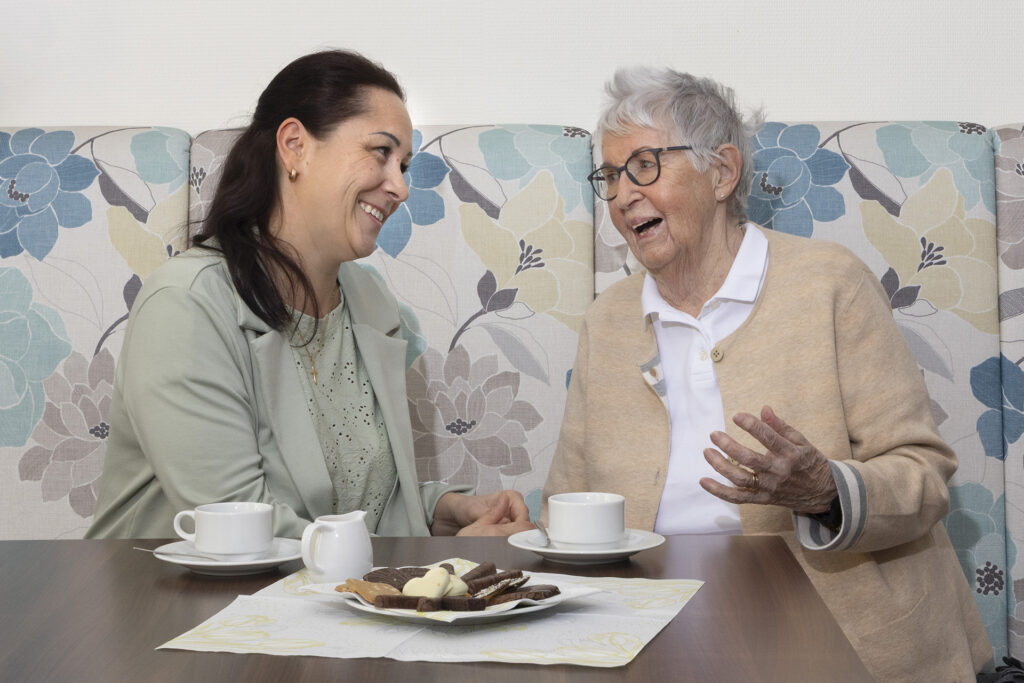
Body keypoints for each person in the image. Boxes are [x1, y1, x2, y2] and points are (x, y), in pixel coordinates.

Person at [542, 66, 991, 680]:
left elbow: (924, 475)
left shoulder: (830, 283)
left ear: (722, 172)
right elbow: (563, 509)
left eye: (644, 166)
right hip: (649, 640)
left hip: (840, 645)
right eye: (612, 175)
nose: (622, 196)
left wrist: (826, 491)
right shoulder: (608, 320)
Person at [87, 50, 533, 540]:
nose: (401, 188)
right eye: (380, 152)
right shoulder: (185, 304)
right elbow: (242, 527)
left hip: (315, 589)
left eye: (403, 165)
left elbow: (357, 499)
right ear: (295, 146)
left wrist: (443, 511)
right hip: (171, 590)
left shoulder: (370, 300)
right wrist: (425, 564)